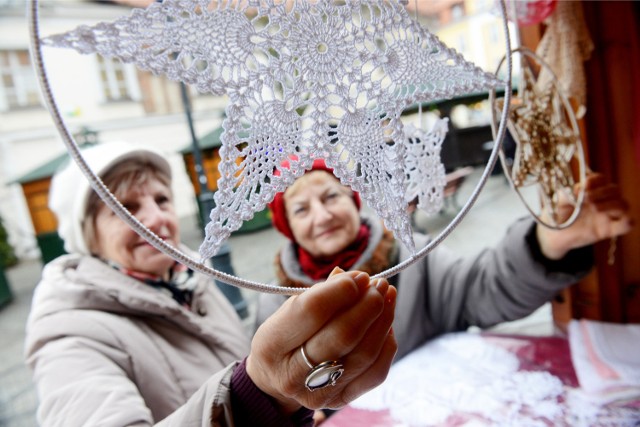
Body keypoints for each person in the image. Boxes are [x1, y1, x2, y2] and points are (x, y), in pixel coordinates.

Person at [24, 143, 397, 427]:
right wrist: (255, 397)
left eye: (162, 199)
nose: (155, 220)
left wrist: (291, 408)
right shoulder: (68, 334)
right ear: (89, 235)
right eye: (126, 209)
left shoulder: (194, 286)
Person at [257, 158, 633, 362]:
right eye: (301, 209)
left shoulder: (414, 257)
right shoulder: (273, 301)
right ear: (287, 226)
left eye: (331, 197)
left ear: (354, 201)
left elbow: (486, 288)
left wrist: (547, 242)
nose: (322, 217)